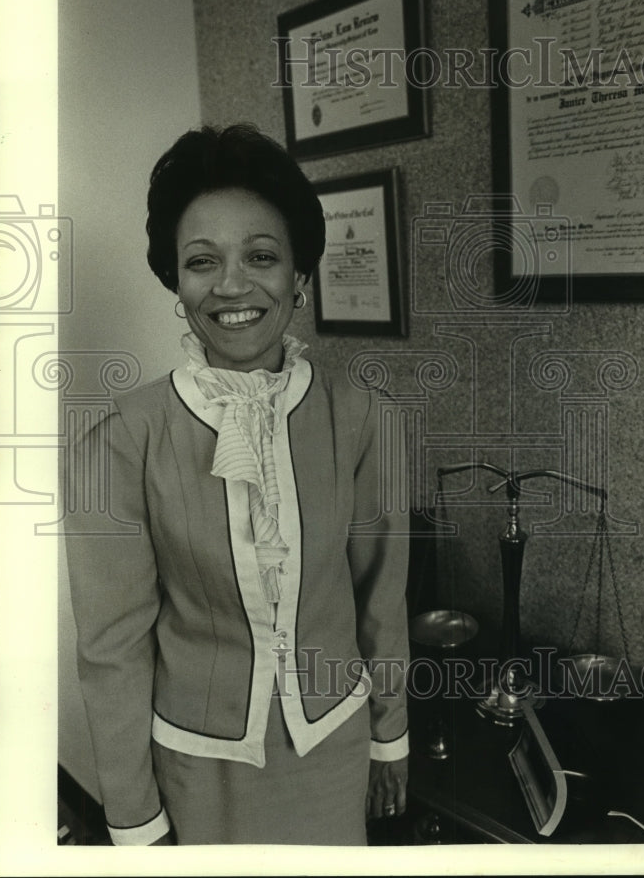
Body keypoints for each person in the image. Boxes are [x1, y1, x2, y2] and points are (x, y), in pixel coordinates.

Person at [63, 124, 410, 846]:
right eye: (201, 261)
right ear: (175, 281)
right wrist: (133, 818)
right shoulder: (122, 441)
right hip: (198, 768)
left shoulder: (361, 415)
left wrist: (389, 735)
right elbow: (113, 651)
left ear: (298, 276)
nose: (230, 285)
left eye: (260, 256)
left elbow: (380, 593)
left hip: (334, 749)